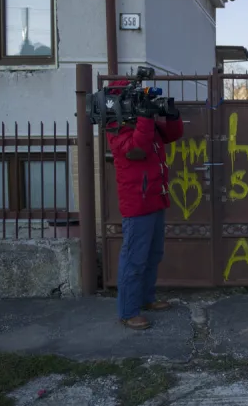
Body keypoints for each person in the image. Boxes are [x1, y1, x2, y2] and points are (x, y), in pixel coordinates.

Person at [106, 80, 184, 330]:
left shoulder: (143, 124)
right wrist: (145, 117)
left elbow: (172, 134)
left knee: (153, 255)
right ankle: (128, 311)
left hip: (155, 199)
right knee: (134, 259)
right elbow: (138, 148)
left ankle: (147, 299)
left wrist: (172, 114)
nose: (141, 103)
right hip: (137, 205)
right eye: (136, 99)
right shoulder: (116, 129)